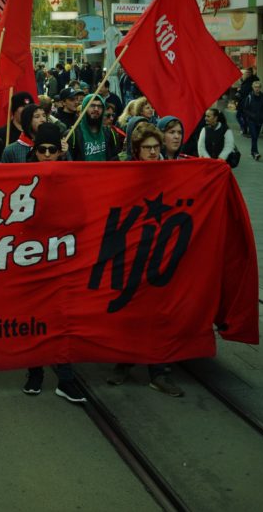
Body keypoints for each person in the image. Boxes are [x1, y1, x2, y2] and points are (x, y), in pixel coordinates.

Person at [107, 122, 184, 397]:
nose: (152, 153)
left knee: (160, 312)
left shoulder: (174, 171)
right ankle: (124, 361)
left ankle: (159, 370)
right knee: (131, 310)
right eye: (147, 149)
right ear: (136, 150)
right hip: (132, 251)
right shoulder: (124, 171)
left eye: (155, 148)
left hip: (163, 252)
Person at [21, 123, 86, 403]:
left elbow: (81, 215)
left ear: (58, 152)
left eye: (51, 150)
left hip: (60, 259)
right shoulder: (19, 177)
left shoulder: (70, 179)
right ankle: (34, 373)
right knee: (33, 319)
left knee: (61, 321)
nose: (46, 155)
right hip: (30, 261)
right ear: (34, 151)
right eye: (41, 150)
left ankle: (66, 379)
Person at [68, 94, 118, 161]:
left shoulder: (110, 133)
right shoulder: (73, 134)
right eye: (92, 105)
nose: (96, 109)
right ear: (84, 108)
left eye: (100, 106)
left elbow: (114, 158)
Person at [241, 79, 263, 160]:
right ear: (253, 87)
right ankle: (256, 153)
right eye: (255, 87)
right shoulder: (249, 97)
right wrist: (252, 115)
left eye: (258, 87)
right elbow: (245, 109)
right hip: (251, 120)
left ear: (260, 88)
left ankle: (253, 152)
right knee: (254, 136)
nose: (257, 89)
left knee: (256, 137)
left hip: (259, 120)